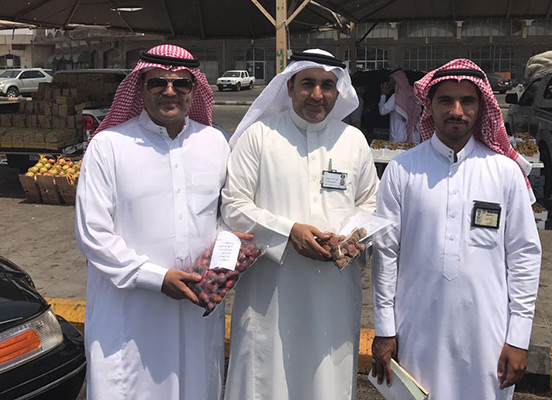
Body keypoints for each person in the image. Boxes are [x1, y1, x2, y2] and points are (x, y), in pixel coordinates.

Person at [371, 59, 542, 400]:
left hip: (488, 333)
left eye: (467, 101)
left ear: (482, 107)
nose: (457, 111)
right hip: (416, 327)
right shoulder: (402, 170)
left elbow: (524, 257)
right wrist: (385, 329)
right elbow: (385, 255)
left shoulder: (504, 173)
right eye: (446, 100)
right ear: (430, 106)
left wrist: (519, 337)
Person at [220, 49, 379, 400]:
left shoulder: (353, 141)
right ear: (290, 87)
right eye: (308, 83)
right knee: (268, 377)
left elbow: (370, 204)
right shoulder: (259, 136)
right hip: (271, 292)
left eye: (327, 85)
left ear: (338, 92)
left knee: (328, 380)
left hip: (334, 290)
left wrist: (351, 239)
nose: (317, 95)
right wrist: (288, 231)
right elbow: (233, 206)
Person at [75, 44, 232, 399]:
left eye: (181, 83)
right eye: (158, 82)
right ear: (140, 86)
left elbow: (228, 216)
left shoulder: (214, 142)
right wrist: (156, 278)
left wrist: (220, 266)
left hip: (196, 307)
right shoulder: (109, 146)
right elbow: (93, 234)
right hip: (130, 313)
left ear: (194, 90)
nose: (169, 91)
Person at [378, 69, 421, 143]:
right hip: (414, 136)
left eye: (391, 80)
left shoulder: (397, 97)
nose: (389, 82)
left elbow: (382, 111)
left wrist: (383, 94)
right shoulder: (413, 93)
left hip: (399, 136)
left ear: (395, 81)